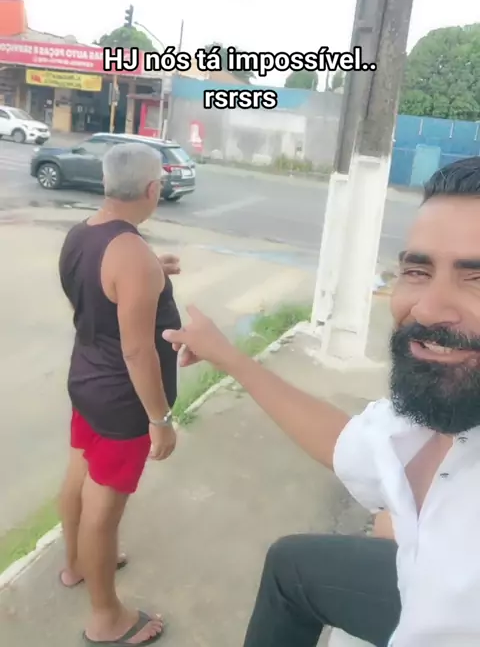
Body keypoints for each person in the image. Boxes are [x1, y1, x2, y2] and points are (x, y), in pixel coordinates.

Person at [163, 156, 480, 647]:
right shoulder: (435, 417)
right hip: (417, 590)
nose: (427, 308)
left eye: (476, 278)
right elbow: (350, 443)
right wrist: (229, 357)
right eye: (417, 271)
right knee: (292, 566)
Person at [58, 142, 181, 646]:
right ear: (151, 189)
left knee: (78, 475)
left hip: (86, 380)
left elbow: (98, 290)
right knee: (103, 511)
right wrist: (160, 418)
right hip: (122, 402)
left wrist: (152, 274)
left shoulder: (82, 233)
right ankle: (107, 618)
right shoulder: (132, 255)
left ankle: (75, 565)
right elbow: (136, 350)